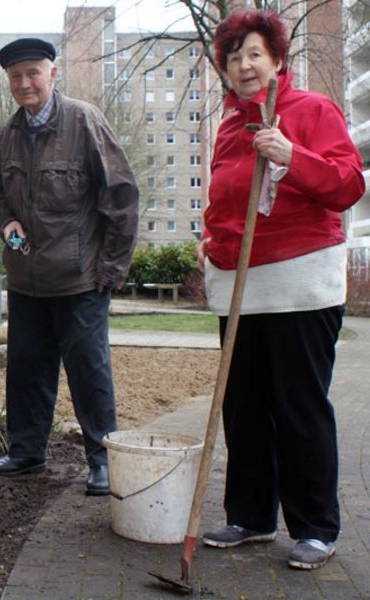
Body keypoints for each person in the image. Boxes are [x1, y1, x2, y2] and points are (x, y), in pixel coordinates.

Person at [198, 10, 365, 570]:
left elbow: (347, 185)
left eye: (253, 54)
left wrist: (293, 157)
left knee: (298, 408)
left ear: (276, 61)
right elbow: (224, 200)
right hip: (239, 286)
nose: (243, 65)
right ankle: (250, 516)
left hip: (298, 286)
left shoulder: (311, 111)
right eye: (233, 57)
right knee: (244, 407)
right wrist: (209, 243)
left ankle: (315, 526)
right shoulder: (227, 126)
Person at [0, 38, 140, 496]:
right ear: (9, 82)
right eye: (16, 76)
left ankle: (103, 460)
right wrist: (6, 219)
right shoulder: (4, 138)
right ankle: (26, 452)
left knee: (90, 372)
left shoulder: (85, 121)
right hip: (27, 279)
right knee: (27, 369)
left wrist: (110, 269)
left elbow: (122, 198)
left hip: (80, 279)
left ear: (53, 74)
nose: (25, 83)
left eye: (34, 73)